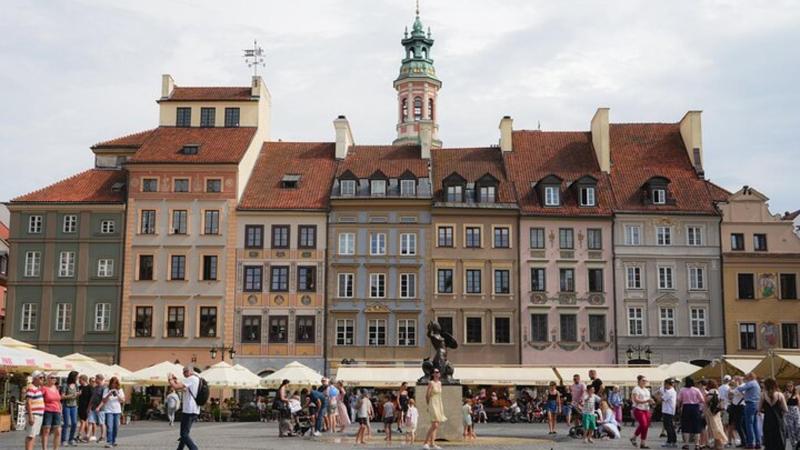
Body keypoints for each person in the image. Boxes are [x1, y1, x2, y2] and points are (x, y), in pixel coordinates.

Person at [168, 366, 201, 450]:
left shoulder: (191, 378)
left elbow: (176, 387)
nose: (184, 374)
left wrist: (170, 379)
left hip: (189, 410)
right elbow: (184, 389)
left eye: (185, 371)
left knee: (184, 434)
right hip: (195, 409)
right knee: (185, 433)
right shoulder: (198, 379)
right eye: (183, 372)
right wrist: (176, 381)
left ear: (190, 371)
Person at [678, 376, 705, 450]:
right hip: (695, 408)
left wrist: (679, 408)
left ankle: (686, 444)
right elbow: (702, 400)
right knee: (697, 426)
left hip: (686, 407)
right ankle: (697, 444)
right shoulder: (696, 390)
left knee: (686, 426)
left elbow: (679, 400)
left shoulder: (682, 390)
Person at [736, 372, 762, 449]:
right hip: (756, 404)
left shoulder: (751, 383)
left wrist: (737, 382)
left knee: (749, 424)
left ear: (750, 377)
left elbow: (740, 388)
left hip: (750, 404)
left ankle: (751, 443)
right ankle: (758, 442)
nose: (746, 379)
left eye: (747, 377)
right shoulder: (756, 383)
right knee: (755, 425)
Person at [422, 369, 447, 450]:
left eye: (438, 372)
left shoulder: (440, 383)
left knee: (436, 425)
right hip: (432, 403)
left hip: (438, 403)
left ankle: (432, 443)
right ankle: (425, 442)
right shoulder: (431, 383)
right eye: (435, 372)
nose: (437, 373)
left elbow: (439, 395)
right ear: (433, 374)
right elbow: (427, 395)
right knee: (434, 425)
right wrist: (428, 405)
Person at [97, 376, 125, 448]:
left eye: (115, 383)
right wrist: (109, 394)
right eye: (112, 383)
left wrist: (117, 394)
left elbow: (123, 400)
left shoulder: (120, 390)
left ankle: (113, 441)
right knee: (109, 426)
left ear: (117, 384)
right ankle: (109, 442)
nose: (113, 385)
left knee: (116, 427)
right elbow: (103, 400)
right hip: (108, 410)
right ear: (110, 383)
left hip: (117, 411)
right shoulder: (106, 389)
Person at [760, 378, 787, 450]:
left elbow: (758, 409)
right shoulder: (780, 395)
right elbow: (786, 409)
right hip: (778, 420)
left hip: (767, 420)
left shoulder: (763, 395)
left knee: (769, 440)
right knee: (779, 438)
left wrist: (766, 410)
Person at [630, 374, 653, 449]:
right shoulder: (636, 389)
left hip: (646, 409)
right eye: (643, 380)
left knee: (645, 426)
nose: (644, 382)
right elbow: (636, 400)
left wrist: (651, 402)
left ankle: (642, 443)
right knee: (644, 425)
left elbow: (648, 399)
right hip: (638, 409)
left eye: (645, 381)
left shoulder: (647, 390)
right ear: (639, 381)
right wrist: (646, 401)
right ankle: (634, 437)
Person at [41, 373, 63, 450]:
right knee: (46, 430)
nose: (54, 379)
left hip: (57, 411)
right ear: (47, 379)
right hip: (47, 411)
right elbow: (39, 399)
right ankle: (44, 448)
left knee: (58, 431)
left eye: (55, 378)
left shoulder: (55, 388)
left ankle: (55, 449)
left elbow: (58, 400)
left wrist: (60, 408)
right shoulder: (44, 388)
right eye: (52, 377)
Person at [704, 379, 728, 450]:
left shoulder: (711, 391)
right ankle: (716, 444)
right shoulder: (717, 391)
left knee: (715, 427)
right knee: (718, 426)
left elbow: (707, 400)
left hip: (712, 411)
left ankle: (719, 445)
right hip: (717, 411)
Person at [24, 371, 45, 450]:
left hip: (38, 415)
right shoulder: (31, 388)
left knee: (33, 436)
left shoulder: (37, 388)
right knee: (30, 436)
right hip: (34, 415)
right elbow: (28, 402)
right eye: (40, 378)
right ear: (35, 378)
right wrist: (30, 416)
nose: (42, 379)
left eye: (43, 378)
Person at [60, 370, 79, 446]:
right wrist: (72, 395)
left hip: (74, 406)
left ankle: (71, 439)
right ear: (73, 377)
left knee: (74, 423)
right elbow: (62, 396)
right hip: (66, 406)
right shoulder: (65, 385)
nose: (77, 378)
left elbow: (76, 394)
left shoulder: (76, 385)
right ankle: (64, 440)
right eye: (77, 377)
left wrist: (77, 394)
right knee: (66, 423)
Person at [87, 374, 106, 443]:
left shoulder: (104, 388)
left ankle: (102, 437)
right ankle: (87, 436)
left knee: (101, 423)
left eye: (96, 378)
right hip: (93, 408)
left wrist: (99, 407)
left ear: (100, 379)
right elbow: (92, 398)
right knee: (90, 421)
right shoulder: (95, 387)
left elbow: (104, 400)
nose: (95, 380)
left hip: (101, 408)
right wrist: (89, 407)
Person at [660, 378, 677, 448]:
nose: (664, 386)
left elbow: (662, 399)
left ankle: (670, 441)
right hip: (670, 411)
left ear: (667, 384)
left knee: (668, 427)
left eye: (665, 384)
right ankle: (673, 441)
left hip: (667, 411)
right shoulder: (672, 390)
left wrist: (658, 396)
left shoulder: (669, 392)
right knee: (671, 427)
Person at [730, 376, 746, 447]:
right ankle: (744, 441)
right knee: (740, 425)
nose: (735, 381)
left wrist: (736, 386)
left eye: (736, 379)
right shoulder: (738, 386)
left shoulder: (742, 386)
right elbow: (731, 392)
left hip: (740, 407)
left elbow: (735, 393)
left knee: (739, 425)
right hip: (737, 407)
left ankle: (744, 441)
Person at [77, 375, 92, 442]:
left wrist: (89, 407)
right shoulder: (80, 387)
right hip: (80, 406)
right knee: (84, 422)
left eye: (80, 380)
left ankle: (79, 435)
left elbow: (91, 398)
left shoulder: (89, 387)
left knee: (83, 421)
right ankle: (87, 436)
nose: (79, 381)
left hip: (86, 406)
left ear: (84, 380)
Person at [785, 383, 800, 450]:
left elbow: (799, 404)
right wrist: (787, 398)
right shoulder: (785, 394)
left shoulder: (796, 394)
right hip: (789, 412)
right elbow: (784, 404)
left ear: (793, 387)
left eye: (791, 386)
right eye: (788, 386)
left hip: (796, 412)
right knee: (791, 429)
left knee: (798, 427)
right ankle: (794, 445)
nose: (790, 387)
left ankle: (798, 442)